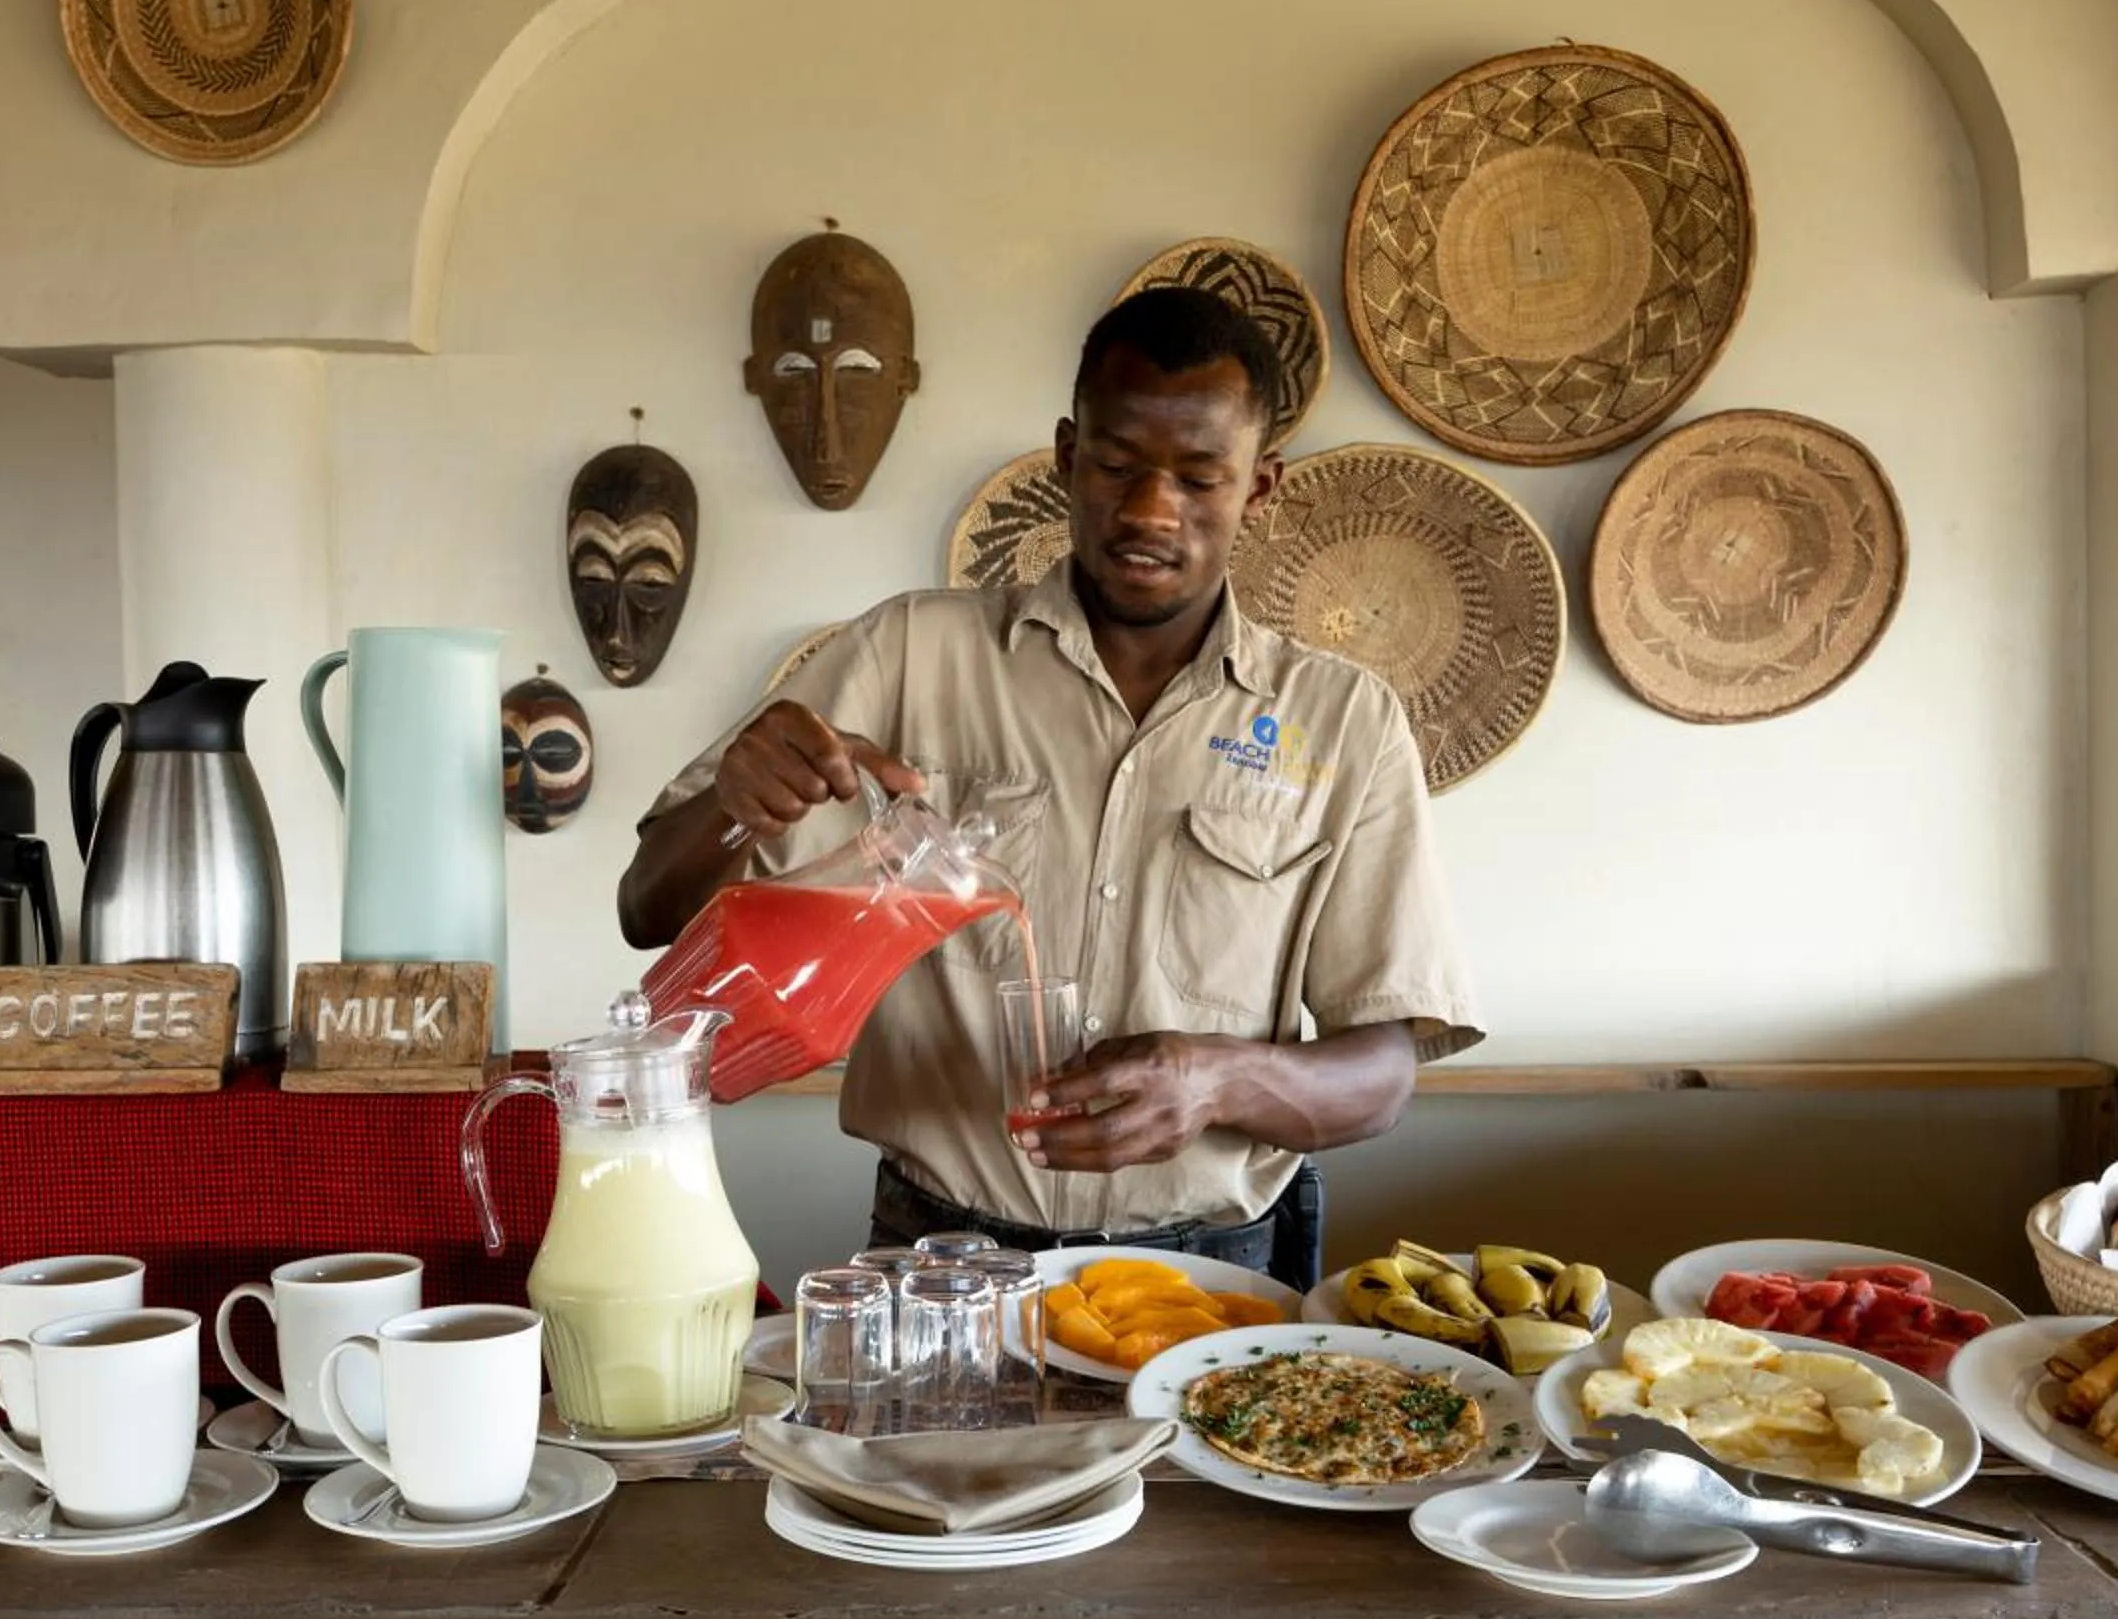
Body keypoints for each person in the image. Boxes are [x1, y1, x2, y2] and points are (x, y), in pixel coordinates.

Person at [619, 286, 1479, 1286]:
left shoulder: (1343, 722)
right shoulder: (907, 655)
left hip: (1209, 1282)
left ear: (1260, 486)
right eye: (1118, 465)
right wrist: (734, 797)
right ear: (1068, 455)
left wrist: (1218, 1079)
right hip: (939, 1266)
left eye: (1201, 477)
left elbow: (1380, 1079)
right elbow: (649, 907)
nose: (1152, 510)